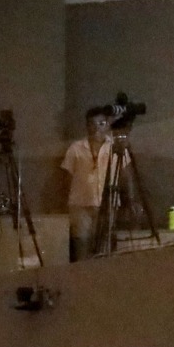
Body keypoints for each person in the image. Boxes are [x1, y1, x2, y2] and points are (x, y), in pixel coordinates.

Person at [61, 106, 112, 261]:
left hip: (107, 205)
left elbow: (125, 173)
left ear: (108, 125)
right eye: (92, 124)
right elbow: (66, 177)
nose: (97, 128)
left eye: (101, 123)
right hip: (80, 206)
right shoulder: (76, 148)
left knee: (103, 249)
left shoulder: (114, 147)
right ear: (87, 126)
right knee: (81, 246)